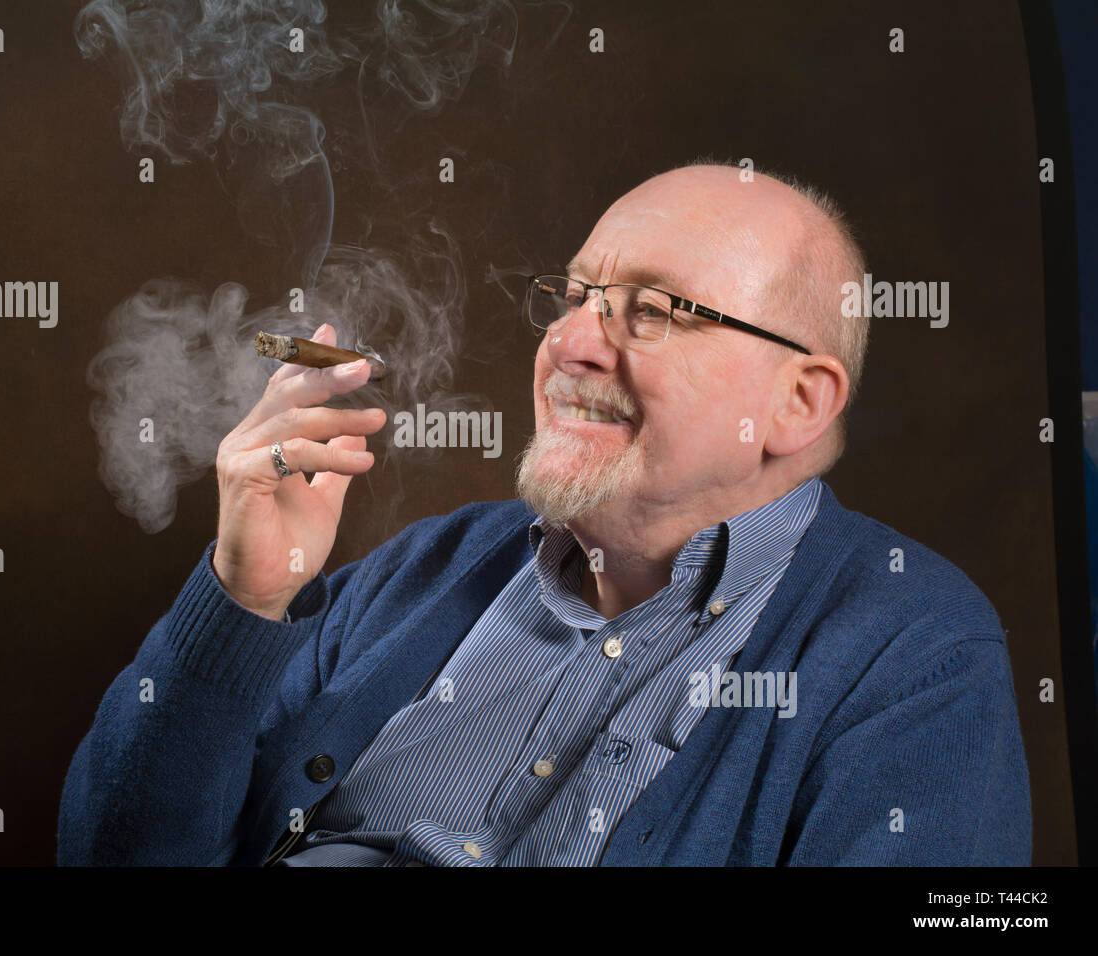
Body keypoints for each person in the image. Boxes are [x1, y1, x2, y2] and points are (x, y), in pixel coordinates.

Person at [57, 162, 1031, 866]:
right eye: (572, 297)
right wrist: (244, 598)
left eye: (651, 310)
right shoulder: (429, 566)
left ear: (798, 403)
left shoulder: (912, 648)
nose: (568, 342)